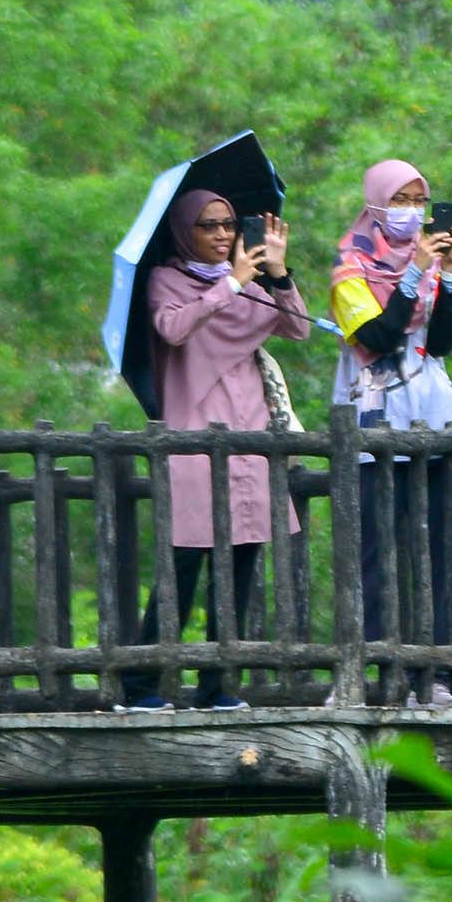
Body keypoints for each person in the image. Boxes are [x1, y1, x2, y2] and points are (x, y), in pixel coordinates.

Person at [139, 186, 313, 709]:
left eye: (228, 225)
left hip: (250, 438)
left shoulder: (255, 282)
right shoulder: (166, 280)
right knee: (182, 568)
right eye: (208, 226)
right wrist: (230, 285)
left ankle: (218, 687)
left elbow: (300, 328)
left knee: (239, 569)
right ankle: (141, 686)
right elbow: (172, 328)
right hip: (193, 440)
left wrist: (276, 275)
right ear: (184, 232)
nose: (221, 235)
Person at [323, 157, 452, 708]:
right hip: (373, 414)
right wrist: (413, 276)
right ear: (376, 203)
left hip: (428, 412)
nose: (412, 212)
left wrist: (448, 276)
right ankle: (371, 674)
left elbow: (444, 342)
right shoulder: (350, 269)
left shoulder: (427, 263)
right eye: (400, 200)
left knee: (433, 548)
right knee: (373, 550)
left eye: (418, 200)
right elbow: (379, 337)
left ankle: (433, 677)